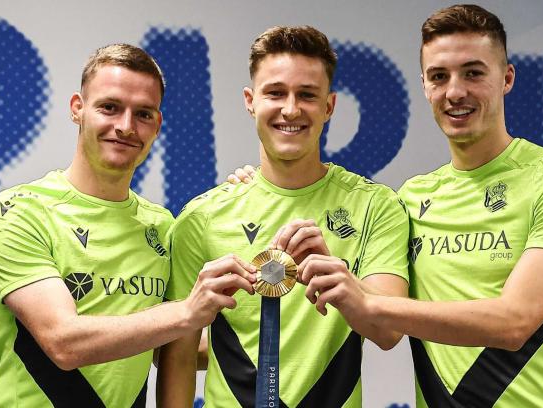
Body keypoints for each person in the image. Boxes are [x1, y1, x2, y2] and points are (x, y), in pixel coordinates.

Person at [276, 4, 543, 408]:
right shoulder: (410, 199)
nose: (455, 92)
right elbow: (384, 327)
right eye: (439, 76)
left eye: (473, 72)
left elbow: (515, 321)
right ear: (425, 86)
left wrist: (369, 301)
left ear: (507, 78)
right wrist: (344, 282)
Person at [0, 44, 255, 408]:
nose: (125, 126)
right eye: (109, 107)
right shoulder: (18, 211)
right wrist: (187, 312)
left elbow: (172, 348)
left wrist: (247, 204)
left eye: (142, 114)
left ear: (157, 125)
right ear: (78, 108)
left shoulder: (162, 226)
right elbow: (64, 342)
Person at [157, 26, 409, 407]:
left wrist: (337, 275)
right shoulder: (202, 216)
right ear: (250, 100)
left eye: (307, 95)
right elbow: (178, 353)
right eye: (275, 92)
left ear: (329, 106)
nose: (291, 109)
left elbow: (389, 332)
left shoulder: (376, 206)